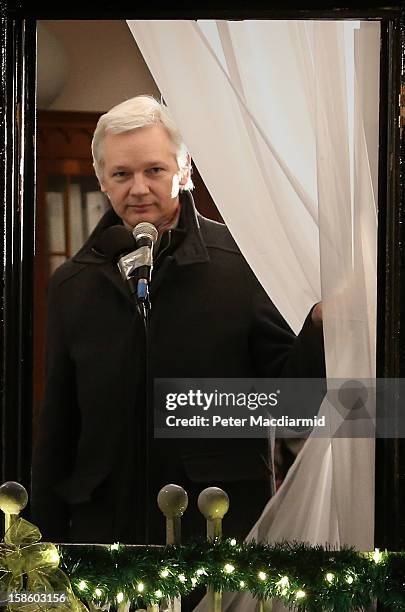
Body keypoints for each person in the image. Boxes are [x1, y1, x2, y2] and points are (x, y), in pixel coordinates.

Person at [31, 95, 325, 546]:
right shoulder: (73, 283)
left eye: (154, 170)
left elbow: (295, 403)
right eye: (122, 174)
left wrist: (321, 327)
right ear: (101, 180)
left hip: (217, 527)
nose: (139, 189)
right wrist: (41, 548)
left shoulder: (247, 264)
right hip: (102, 529)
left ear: (184, 171)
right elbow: (58, 428)